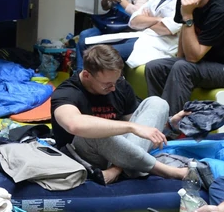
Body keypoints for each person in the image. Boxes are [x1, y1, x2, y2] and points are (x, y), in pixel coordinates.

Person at [51, 45, 189, 184]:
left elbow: (140, 130)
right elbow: (74, 125)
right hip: (88, 154)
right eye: (107, 84)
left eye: (116, 81)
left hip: (119, 154)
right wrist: (131, 127)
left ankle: (118, 170)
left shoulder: (119, 85)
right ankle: (167, 171)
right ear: (87, 75)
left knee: (157, 103)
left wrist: (169, 124)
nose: (113, 88)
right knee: (95, 131)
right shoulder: (66, 92)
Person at [145, 0, 224, 115]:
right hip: (202, 63)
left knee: (183, 68)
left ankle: (170, 126)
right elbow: (183, 32)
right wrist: (178, 59)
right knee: (154, 67)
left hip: (220, 66)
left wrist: (188, 15)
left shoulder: (219, 10)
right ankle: (158, 117)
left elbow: (193, 57)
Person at [78, 0, 183, 70]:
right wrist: (158, 19)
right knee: (85, 42)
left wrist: (146, 20)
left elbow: (167, 28)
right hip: (139, 35)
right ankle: (80, 76)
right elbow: (134, 21)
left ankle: (91, 79)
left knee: (101, 55)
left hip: (158, 44)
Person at [124, 0, 184, 66]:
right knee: (94, 45)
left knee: (106, 54)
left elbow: (167, 29)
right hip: (142, 37)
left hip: (160, 45)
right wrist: (159, 20)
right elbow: (133, 21)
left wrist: (145, 21)